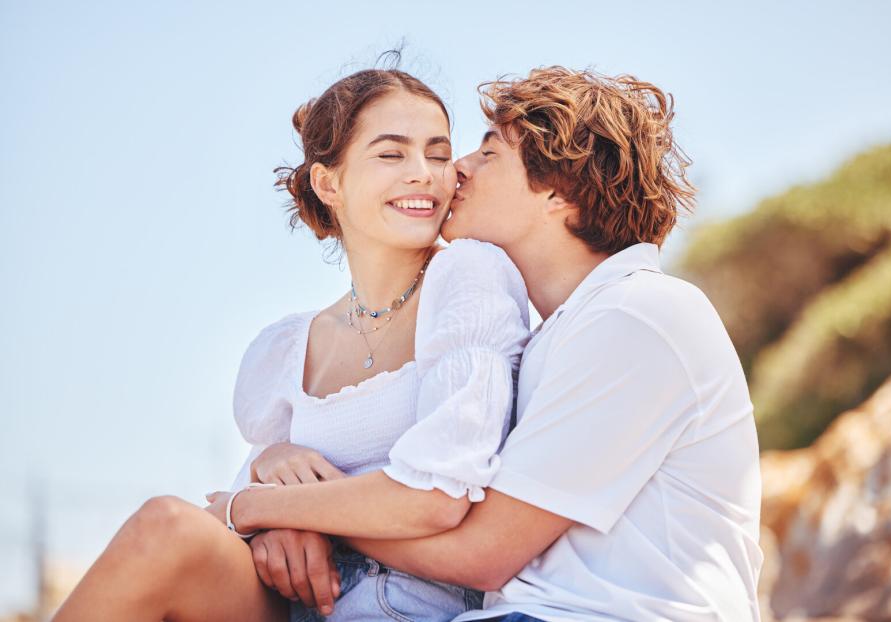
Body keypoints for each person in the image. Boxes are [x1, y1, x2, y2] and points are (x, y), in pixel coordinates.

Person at [269, 67, 764, 622]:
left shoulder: (637, 315)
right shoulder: (556, 334)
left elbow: (479, 553)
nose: (455, 170)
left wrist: (288, 512)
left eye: (488, 154)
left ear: (558, 190)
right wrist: (282, 467)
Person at [52, 65, 530, 622]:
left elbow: (437, 498)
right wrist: (271, 496)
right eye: (391, 154)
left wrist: (266, 507)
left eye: (438, 153)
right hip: (291, 598)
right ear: (329, 183)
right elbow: (234, 520)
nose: (424, 174)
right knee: (165, 527)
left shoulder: (469, 277)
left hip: (403, 603)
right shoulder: (286, 348)